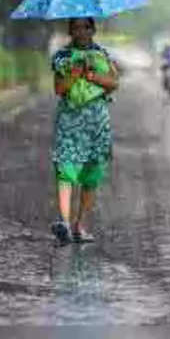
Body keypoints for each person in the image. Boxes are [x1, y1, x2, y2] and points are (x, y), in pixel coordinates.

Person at [50, 17, 119, 245]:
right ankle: (65, 223)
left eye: (86, 27)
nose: (81, 32)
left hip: (96, 122)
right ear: (70, 31)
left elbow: (113, 83)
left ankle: (80, 225)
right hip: (70, 121)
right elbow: (59, 89)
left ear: (93, 29)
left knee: (91, 175)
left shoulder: (102, 55)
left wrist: (93, 76)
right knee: (65, 169)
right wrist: (75, 73)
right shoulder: (62, 57)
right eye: (76, 28)